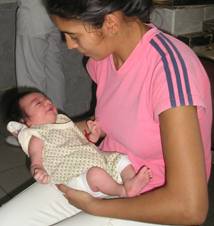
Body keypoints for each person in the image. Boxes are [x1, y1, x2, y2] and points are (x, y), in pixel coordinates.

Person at [0, 0, 212, 225]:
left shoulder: (169, 71)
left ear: (110, 23)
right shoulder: (104, 59)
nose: (69, 45)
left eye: (74, 35)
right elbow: (115, 121)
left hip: (152, 197)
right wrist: (45, 134)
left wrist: (94, 206)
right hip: (102, 171)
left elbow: (191, 208)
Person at [5, 89, 152, 198]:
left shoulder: (63, 123)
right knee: (96, 174)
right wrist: (38, 170)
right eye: (38, 103)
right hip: (75, 175)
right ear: (27, 122)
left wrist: (92, 138)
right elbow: (36, 160)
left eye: (46, 99)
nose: (47, 102)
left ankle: (130, 181)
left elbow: (80, 142)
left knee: (120, 158)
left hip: (96, 160)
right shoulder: (37, 136)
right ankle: (123, 191)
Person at [5, 0, 66, 146]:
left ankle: (33, 134)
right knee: (53, 68)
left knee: (30, 76)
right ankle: (58, 125)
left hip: (33, 11)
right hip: (55, 11)